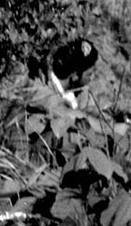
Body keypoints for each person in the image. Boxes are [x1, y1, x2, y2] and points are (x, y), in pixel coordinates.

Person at [7, 38, 100, 166]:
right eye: (90, 74)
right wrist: (103, 128)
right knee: (71, 137)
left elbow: (92, 111)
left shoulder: (77, 92)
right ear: (74, 76)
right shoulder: (39, 86)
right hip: (23, 155)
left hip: (43, 151)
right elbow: (64, 112)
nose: (93, 77)